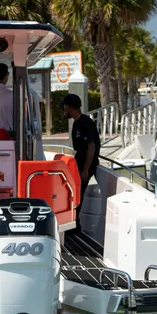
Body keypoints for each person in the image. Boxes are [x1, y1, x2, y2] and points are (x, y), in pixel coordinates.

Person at [63, 93, 100, 229]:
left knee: (78, 192)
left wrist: (86, 169)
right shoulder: (76, 123)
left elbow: (91, 147)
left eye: (65, 107)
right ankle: (73, 222)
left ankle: (75, 225)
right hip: (79, 162)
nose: (64, 110)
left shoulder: (86, 123)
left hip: (86, 165)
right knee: (73, 191)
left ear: (70, 108)